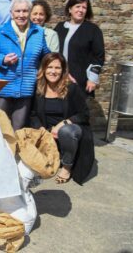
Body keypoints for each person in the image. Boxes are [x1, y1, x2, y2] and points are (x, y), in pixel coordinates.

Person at [0, 0, 50, 131]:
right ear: (11, 13)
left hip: (26, 89)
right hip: (3, 88)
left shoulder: (38, 32)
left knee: (18, 130)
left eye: (25, 11)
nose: (21, 14)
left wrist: (61, 67)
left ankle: (16, 153)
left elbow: (46, 55)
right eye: (17, 11)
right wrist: (3, 59)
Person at [30, 53, 95, 184]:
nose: (53, 71)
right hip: (47, 130)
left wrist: (63, 123)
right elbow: (32, 114)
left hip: (70, 129)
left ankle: (67, 166)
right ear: (43, 69)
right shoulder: (38, 88)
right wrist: (42, 129)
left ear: (63, 70)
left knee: (66, 131)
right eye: (49, 67)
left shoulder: (72, 88)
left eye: (57, 68)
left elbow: (85, 114)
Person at [54, 0, 105, 96]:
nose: (81, 10)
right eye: (78, 6)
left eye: (84, 7)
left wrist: (92, 79)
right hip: (58, 78)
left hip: (81, 81)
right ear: (70, 9)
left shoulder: (93, 30)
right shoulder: (59, 27)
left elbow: (98, 57)